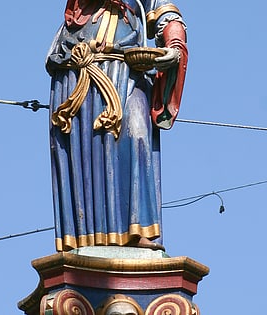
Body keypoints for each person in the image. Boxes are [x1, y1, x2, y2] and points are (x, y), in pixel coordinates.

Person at [47, 0, 188, 252]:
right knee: (82, 151)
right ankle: (83, 239)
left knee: (138, 136)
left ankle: (138, 229)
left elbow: (164, 9)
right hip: (78, 66)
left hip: (126, 67)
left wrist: (174, 45)